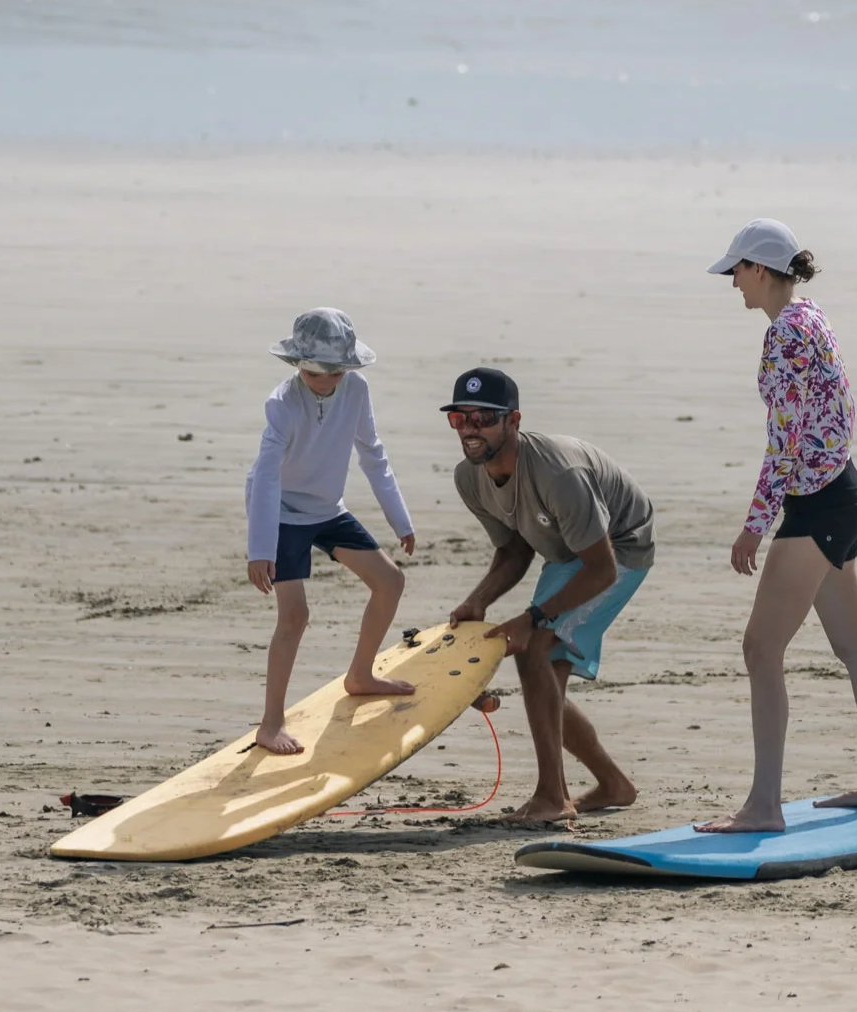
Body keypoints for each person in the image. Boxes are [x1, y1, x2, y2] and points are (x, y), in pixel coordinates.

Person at [694, 218, 857, 834]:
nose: (732, 283)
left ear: (760, 269)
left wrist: (754, 526)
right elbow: (837, 409)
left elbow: (782, 443)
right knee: (853, 647)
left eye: (736, 271)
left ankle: (764, 807)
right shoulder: (811, 314)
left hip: (817, 505)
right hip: (842, 491)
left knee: (760, 648)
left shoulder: (785, 335)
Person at [442, 368, 652, 823]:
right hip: (570, 550)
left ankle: (551, 799)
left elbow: (602, 568)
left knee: (537, 646)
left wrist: (532, 616)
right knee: (540, 660)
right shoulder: (470, 477)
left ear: (513, 421)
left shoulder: (558, 473)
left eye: (484, 418)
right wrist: (480, 600)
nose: (471, 428)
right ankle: (612, 784)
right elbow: (515, 549)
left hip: (620, 546)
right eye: (461, 418)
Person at [244, 308, 417, 755]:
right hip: (280, 511)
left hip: (326, 509)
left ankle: (360, 675)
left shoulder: (356, 390)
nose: (327, 380)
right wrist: (260, 547)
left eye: (337, 370)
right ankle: (270, 724)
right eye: (317, 371)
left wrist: (400, 520)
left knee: (390, 581)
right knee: (295, 616)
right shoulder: (282, 403)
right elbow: (265, 475)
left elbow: (372, 454)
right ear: (297, 364)